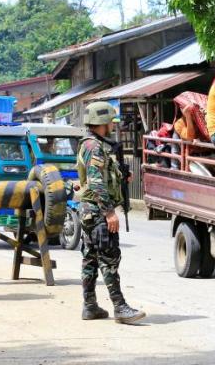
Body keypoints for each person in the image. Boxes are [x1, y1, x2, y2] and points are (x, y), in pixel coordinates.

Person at [77, 101, 146, 324]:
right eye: (110, 123)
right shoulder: (94, 147)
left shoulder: (95, 145)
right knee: (109, 258)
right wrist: (109, 213)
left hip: (90, 210)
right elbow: (96, 182)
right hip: (97, 212)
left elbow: (104, 177)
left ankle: (90, 307)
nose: (112, 127)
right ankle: (120, 307)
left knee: (90, 259)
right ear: (102, 122)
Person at [170, 104, 197, 170]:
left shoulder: (199, 119)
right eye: (183, 108)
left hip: (204, 154)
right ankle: (175, 167)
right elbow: (189, 138)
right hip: (188, 157)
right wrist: (188, 116)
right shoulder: (179, 123)